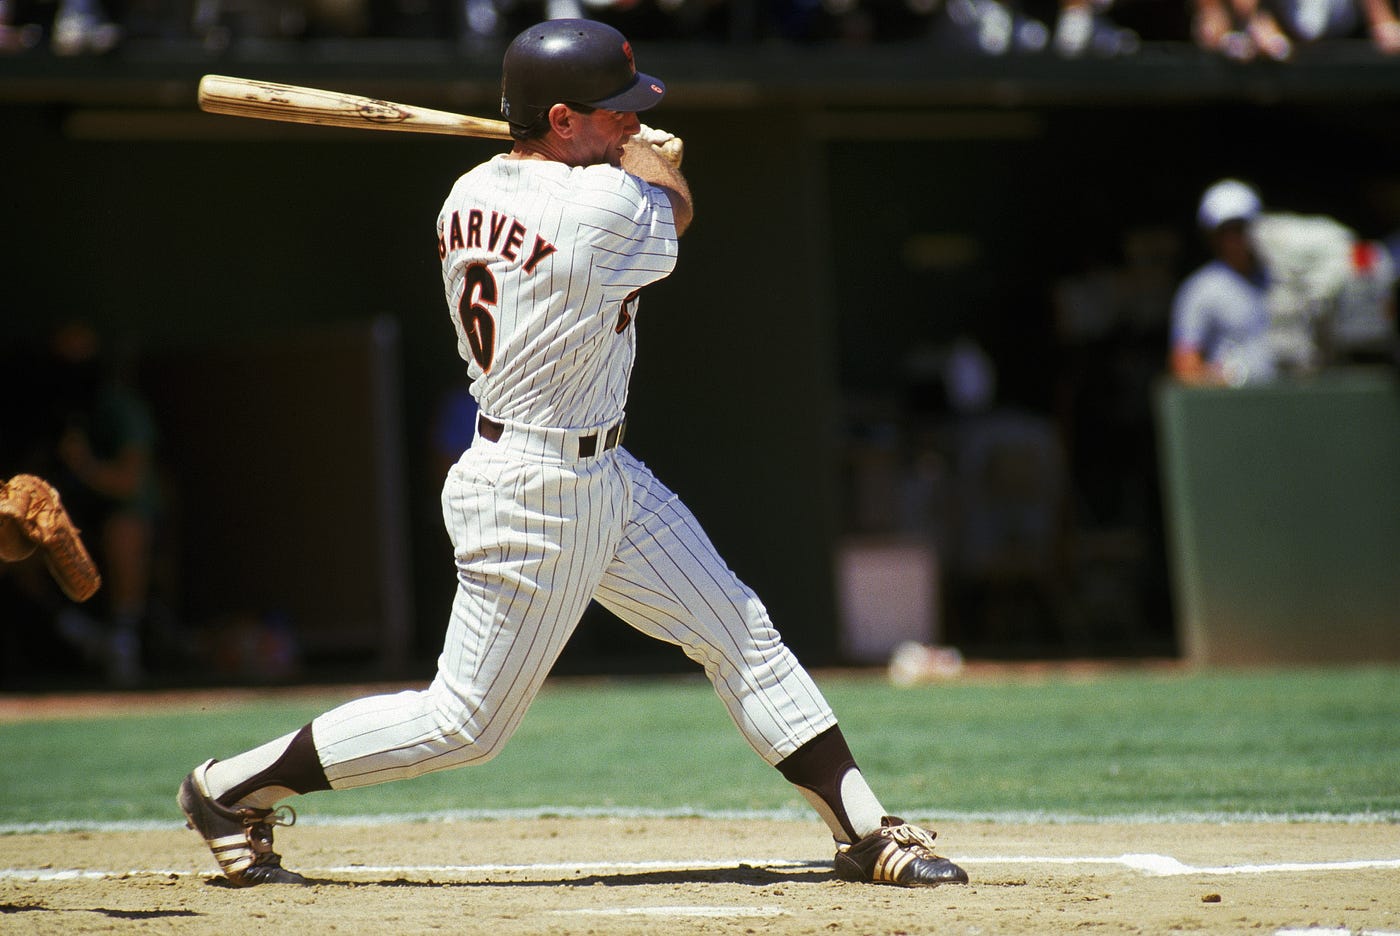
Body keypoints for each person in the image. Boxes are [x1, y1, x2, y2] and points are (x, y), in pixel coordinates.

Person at [177, 18, 970, 891]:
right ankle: (227, 789)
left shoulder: (467, 191)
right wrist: (657, 158)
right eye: (613, 111)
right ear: (559, 119)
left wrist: (621, 148)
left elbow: (594, 183)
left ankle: (865, 832)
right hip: (533, 489)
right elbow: (675, 207)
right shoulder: (601, 208)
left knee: (738, 630)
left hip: (602, 472)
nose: (631, 120)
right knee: (464, 725)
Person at [1169, 179, 1277, 386]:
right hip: (1232, 408)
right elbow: (1185, 364)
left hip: (1285, 401)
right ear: (1213, 237)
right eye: (1228, 231)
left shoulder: (1281, 278)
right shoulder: (1200, 290)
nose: (1237, 238)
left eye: (1242, 228)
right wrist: (1219, 379)